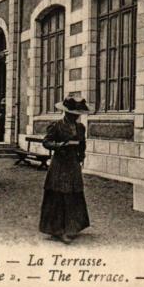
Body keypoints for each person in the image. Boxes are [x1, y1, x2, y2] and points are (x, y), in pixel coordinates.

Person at [39, 96, 91, 244]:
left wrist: (81, 156)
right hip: (60, 165)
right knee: (59, 195)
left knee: (73, 194)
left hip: (73, 164)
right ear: (66, 112)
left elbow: (82, 144)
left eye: (77, 114)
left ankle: (73, 227)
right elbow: (46, 142)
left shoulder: (80, 127)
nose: (76, 116)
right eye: (73, 113)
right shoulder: (56, 126)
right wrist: (60, 145)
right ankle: (58, 230)